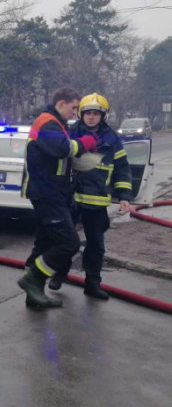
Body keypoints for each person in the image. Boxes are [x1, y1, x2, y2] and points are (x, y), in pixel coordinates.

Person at [17, 87, 98, 309]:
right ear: (61, 103)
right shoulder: (47, 123)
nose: (75, 113)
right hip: (47, 194)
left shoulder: (55, 123)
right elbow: (62, 149)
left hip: (52, 193)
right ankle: (32, 280)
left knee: (43, 244)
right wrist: (85, 143)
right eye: (74, 108)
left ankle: (33, 294)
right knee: (68, 243)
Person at [49, 93, 133, 300]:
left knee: (96, 246)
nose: (91, 117)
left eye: (96, 114)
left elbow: (122, 169)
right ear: (81, 114)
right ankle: (60, 274)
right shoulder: (70, 133)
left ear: (102, 116)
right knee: (66, 240)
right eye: (88, 113)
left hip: (96, 202)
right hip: (71, 198)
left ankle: (93, 284)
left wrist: (124, 195)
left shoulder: (112, 139)